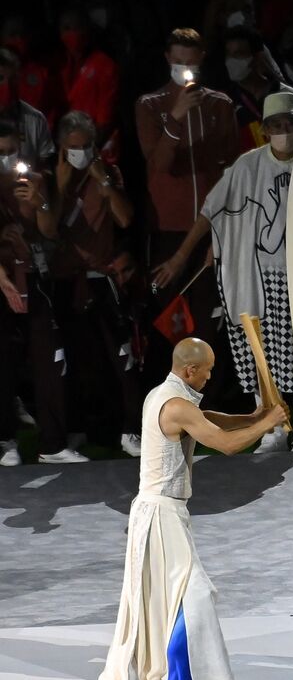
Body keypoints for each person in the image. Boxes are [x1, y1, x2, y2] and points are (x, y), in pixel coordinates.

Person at [98, 338, 288, 680]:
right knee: (194, 594)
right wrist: (268, 425)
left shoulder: (163, 395)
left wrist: (256, 417)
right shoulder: (175, 405)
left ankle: (177, 676)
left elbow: (212, 421)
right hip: (161, 514)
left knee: (179, 595)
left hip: (160, 511)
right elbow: (226, 445)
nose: (210, 376)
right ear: (190, 370)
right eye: (208, 370)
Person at [161, 92, 293, 451]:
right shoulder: (247, 166)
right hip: (259, 274)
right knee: (262, 351)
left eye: (288, 125)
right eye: (275, 126)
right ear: (264, 130)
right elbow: (212, 210)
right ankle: (272, 426)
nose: (282, 132)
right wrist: (183, 255)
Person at [139, 28, 240, 389]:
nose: (185, 68)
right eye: (178, 61)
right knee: (169, 319)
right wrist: (176, 117)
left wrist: (222, 231)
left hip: (212, 228)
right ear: (168, 58)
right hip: (169, 231)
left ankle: (208, 407)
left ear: (202, 61)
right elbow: (158, 166)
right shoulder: (150, 105)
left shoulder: (220, 104)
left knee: (208, 321)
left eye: (191, 61)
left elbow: (231, 170)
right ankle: (168, 403)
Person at [49, 110, 142, 457]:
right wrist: (58, 186)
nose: (81, 153)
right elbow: (47, 225)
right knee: (70, 361)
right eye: (74, 147)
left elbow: (125, 217)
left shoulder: (107, 174)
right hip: (65, 281)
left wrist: (103, 181)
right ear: (61, 147)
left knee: (123, 358)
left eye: (87, 146)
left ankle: (132, 428)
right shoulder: (50, 179)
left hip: (103, 279)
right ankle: (76, 429)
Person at [0, 120, 87, 465]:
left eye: (11, 152)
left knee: (50, 361)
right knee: (2, 362)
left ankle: (52, 444)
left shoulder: (36, 181)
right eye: (0, 153)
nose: (7, 159)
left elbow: (49, 232)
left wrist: (40, 204)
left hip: (33, 277)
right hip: (2, 279)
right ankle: (5, 441)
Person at [221, 26, 293, 153]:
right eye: (229, 54)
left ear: (257, 57)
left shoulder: (283, 93)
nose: (231, 61)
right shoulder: (226, 101)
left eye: (239, 54)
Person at [57, 9, 120, 157]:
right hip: (67, 146)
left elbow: (106, 117)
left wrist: (85, 148)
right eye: (66, 28)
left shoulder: (105, 65)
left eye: (77, 28)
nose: (72, 33)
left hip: (97, 147)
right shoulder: (59, 65)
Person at [0, 48, 54, 165]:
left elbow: (45, 166)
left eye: (12, 79)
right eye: (0, 79)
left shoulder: (36, 119)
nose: (7, 85)